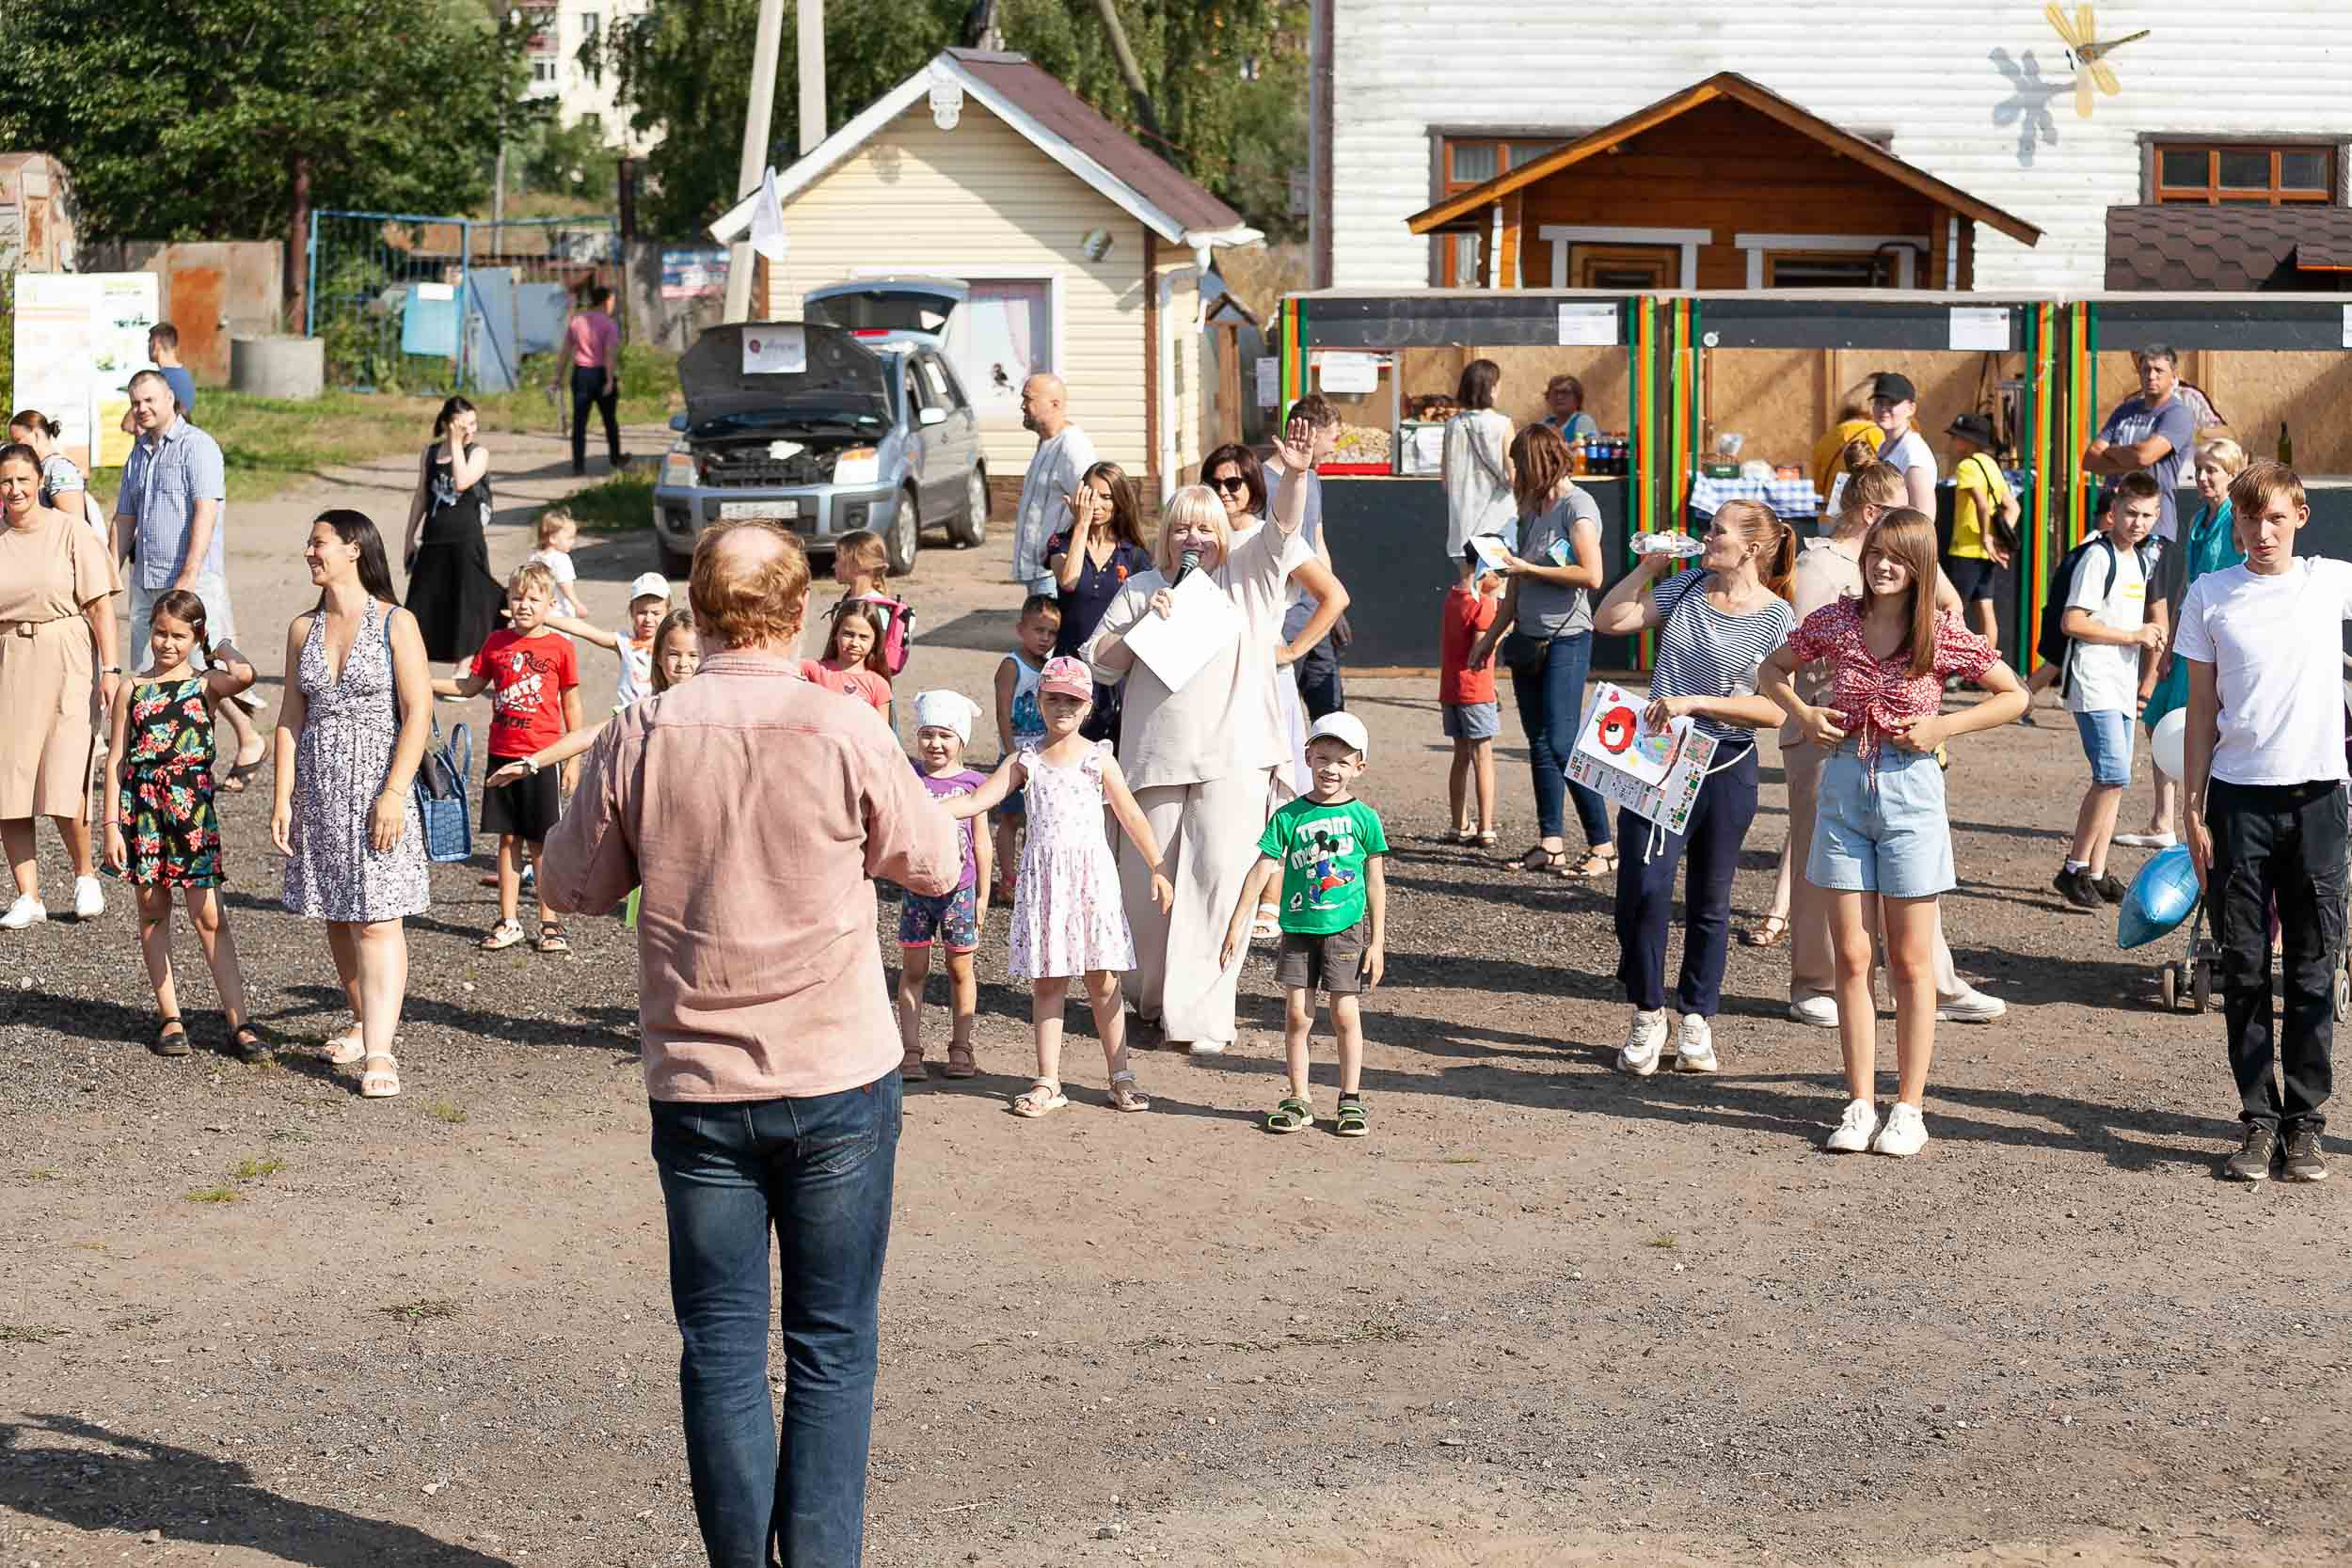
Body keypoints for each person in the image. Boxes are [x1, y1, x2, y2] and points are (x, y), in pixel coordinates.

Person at [541, 519, 961, 1568]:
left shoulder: (643, 729)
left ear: (698, 605)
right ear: (799, 606)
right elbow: (934, 859)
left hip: (698, 1075)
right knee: (830, 1347)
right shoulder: (842, 724)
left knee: (723, 1351)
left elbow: (571, 886)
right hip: (835, 1070)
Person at [1760, 511, 2028, 1157]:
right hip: (1845, 786)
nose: (1884, 565)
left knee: (1910, 962)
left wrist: (1944, 728)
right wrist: (1803, 711)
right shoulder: (1837, 620)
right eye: (1877, 552)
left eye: (1899, 558)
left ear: (1920, 566)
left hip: (1912, 791)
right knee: (1852, 956)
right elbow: (1771, 670)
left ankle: (1909, 1106)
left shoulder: (1937, 633)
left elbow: (2014, 694)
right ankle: (1858, 1102)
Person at [1083, 422, 1318, 1055]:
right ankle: (1154, 1000)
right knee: (1148, 888)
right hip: (1155, 758)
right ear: (1165, 535)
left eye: (1206, 527)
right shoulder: (1141, 587)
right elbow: (1095, 664)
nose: (1195, 538)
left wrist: (1294, 475)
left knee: (1220, 882)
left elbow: (1283, 534)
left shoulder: (1249, 574)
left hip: (1235, 758)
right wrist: (1139, 628)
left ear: (1224, 534)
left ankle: (1204, 1013)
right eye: (1183, 527)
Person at [2178, 461, 2345, 1183]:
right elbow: (2200, 711)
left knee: (2314, 965)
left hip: (2318, 801)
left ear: (2300, 517)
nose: (2261, 531)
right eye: (2250, 518)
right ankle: (2258, 1117)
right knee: (2243, 966)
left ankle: (2305, 1121)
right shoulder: (2211, 594)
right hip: (2237, 800)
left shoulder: (2328, 581)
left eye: (2275, 517)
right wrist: (2192, 804)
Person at [1591, 499, 1796, 1076]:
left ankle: (1697, 1019)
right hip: (1657, 762)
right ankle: (1647, 1010)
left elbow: (1775, 711)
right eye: (1708, 529)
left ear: (1752, 548)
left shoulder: (1779, 618)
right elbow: (1608, 620)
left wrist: (1695, 702)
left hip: (1728, 766)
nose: (1705, 539)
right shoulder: (1684, 588)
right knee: (1643, 890)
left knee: (1712, 900)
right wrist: (1645, 569)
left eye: (1717, 532)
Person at [944, 657, 1173, 1116]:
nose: (1062, 707)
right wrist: (922, 806)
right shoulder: (1024, 761)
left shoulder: (1098, 758)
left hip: (1090, 881)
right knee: (1048, 982)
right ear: (1039, 701)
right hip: (1046, 884)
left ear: (1087, 706)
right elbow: (977, 800)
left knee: (1103, 982)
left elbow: (1129, 813)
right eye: (1053, 698)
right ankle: (1048, 1080)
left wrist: (1158, 866)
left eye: (1072, 699)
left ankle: (1120, 1075)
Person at [271, 510, 433, 1101]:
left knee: (379, 918)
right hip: (318, 786)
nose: (310, 552)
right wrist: (281, 795)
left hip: (376, 787)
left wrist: (393, 791)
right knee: (337, 913)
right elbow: (291, 716)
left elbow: (418, 713)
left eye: (319, 544)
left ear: (353, 550)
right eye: (310, 543)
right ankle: (365, 1021)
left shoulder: (397, 622)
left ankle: (382, 1050)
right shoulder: (300, 629)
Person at [101, 590, 262, 1059]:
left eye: (178, 636)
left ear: (195, 636)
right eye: (159, 633)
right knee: (152, 909)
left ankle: (240, 1021)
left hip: (191, 808)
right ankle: (170, 1016)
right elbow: (115, 760)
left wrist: (221, 646)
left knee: (208, 915)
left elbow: (245, 675)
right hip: (143, 809)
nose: (166, 644)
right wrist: (111, 824)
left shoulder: (206, 683)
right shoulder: (133, 688)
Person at [1219, 711, 1389, 1137]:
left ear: (1359, 767)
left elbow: (1375, 880)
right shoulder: (1288, 816)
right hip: (1298, 927)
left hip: (1346, 929)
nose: (1332, 768)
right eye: (1324, 756)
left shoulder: (1365, 819)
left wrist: (1378, 941)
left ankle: (1350, 1098)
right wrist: (1237, 922)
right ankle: (1299, 1097)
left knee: (1344, 1012)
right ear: (1308, 755)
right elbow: (1262, 868)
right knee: (1297, 1013)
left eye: (1343, 761)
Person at [1470, 422, 1615, 880]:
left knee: (1562, 741)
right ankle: (1550, 842)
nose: (1515, 473)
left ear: (1537, 463)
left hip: (1567, 638)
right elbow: (1515, 586)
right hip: (1528, 640)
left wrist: (1528, 566)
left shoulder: (1578, 507)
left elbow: (1592, 575)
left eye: (1519, 464)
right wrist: (1489, 639)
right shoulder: (1532, 510)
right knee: (1538, 744)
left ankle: (1602, 844)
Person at [114, 370, 267, 791]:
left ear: (170, 399)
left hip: (190, 579)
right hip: (146, 578)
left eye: (149, 400)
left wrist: (189, 576)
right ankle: (157, 755)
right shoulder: (138, 454)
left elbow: (206, 510)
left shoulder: (197, 446)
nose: (142, 409)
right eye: (136, 402)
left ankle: (244, 738)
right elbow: (125, 517)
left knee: (203, 665)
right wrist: (111, 570)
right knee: (151, 668)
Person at [432, 562, 583, 954]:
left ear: (550, 604)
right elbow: (468, 686)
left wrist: (573, 758)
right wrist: (419, 678)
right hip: (501, 756)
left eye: (534, 598)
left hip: (543, 757)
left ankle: (550, 923)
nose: (525, 605)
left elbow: (571, 702)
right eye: (517, 597)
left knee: (543, 843)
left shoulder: (561, 648)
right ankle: (509, 919)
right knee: (508, 839)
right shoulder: (496, 643)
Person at [0, 441, 121, 929]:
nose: (14, 489)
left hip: (67, 652)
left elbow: (100, 607)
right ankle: (28, 893)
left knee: (66, 769)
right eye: (6, 481)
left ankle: (84, 874)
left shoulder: (71, 531)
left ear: (39, 483)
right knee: (9, 780)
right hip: (9, 659)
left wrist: (111, 670)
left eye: (22, 480)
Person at [1201, 438, 1350, 801]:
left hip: (1263, 674)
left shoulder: (1270, 539)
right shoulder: (1201, 538)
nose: (1224, 492)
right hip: (1213, 675)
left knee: (1273, 785)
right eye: (1214, 484)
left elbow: (1334, 596)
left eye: (1233, 483)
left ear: (1252, 486)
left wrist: (1293, 650)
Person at [2126, 436, 2249, 849]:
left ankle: (2205, 817)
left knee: (2197, 724)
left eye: (2211, 470)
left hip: (2219, 638)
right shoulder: (2198, 519)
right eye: (2198, 470)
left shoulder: (2238, 520)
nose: (2202, 477)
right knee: (2158, 719)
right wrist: (2170, 643)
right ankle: (2163, 819)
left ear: (2232, 474)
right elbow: (2187, 584)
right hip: (2190, 634)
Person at [2053, 472, 2164, 911]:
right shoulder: (2098, 558)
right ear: (2114, 511)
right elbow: (2073, 622)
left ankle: (2096, 872)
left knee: (2116, 781)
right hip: (2093, 681)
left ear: (2157, 516)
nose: (2138, 522)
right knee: (2112, 775)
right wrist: (2134, 635)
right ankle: (2074, 868)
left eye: (2147, 515)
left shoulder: (2138, 560)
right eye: (2131, 513)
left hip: (2118, 683)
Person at [897, 690, 992, 1084]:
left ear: (961, 740)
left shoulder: (974, 784)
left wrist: (985, 894)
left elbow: (982, 841)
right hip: (916, 891)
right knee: (914, 969)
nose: (935, 743)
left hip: (961, 892)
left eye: (945, 735)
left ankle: (961, 1046)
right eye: (927, 734)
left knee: (959, 969)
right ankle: (911, 1049)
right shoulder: (908, 778)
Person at [1044, 460, 1152, 743]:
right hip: (1070, 667)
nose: (1098, 504)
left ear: (1120, 502)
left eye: (1106, 497)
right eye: (1091, 495)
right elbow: (1068, 581)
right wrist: (1081, 525)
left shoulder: (1135, 554)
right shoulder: (1061, 543)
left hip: (1117, 672)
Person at [1260, 395, 1352, 721]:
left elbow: (1318, 540)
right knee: (1279, 714)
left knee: (1330, 713)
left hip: (1316, 620)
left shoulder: (1312, 479)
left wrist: (1332, 606)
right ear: (1311, 434)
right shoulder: (1259, 483)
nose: (1335, 445)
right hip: (1283, 622)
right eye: (1332, 436)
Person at [402, 397, 501, 673]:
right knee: (421, 602)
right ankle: (411, 666)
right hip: (434, 538)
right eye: (463, 424)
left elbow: (462, 482)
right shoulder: (430, 453)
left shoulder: (478, 452)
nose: (470, 429)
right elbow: (421, 495)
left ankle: (465, 666)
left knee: (467, 602)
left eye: (474, 422)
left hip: (466, 538)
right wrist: (409, 537)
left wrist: (457, 444)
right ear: (448, 423)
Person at [2083, 344, 2197, 552]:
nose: (2151, 376)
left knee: (2148, 586)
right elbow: (2090, 460)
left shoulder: (2177, 414)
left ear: (2173, 376)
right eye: (2146, 370)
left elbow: (2144, 456)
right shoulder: (2124, 411)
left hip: (2153, 528)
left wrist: (2112, 452)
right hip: (2114, 524)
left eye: (2159, 370)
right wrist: (2132, 456)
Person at [992, 594, 1058, 903]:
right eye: (1039, 630)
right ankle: (1007, 877)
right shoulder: (1011, 665)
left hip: (1041, 757)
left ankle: (1030, 879)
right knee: (1010, 819)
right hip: (1015, 754)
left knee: (1036, 820)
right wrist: (1008, 752)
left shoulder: (1049, 667)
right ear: (1022, 629)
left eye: (1052, 633)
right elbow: (1003, 711)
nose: (1045, 638)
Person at [1011, 373, 1097, 595]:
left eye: (1028, 399)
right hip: (1038, 575)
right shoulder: (1047, 441)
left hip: (1053, 576)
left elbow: (1094, 507)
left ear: (1055, 404)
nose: (1022, 406)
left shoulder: (1073, 448)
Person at [1438, 553, 1502, 846]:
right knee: (1483, 757)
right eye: (1498, 572)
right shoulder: (1485, 604)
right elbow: (1480, 652)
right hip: (1475, 690)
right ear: (1484, 572)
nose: (1502, 579)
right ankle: (1486, 827)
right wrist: (1504, 629)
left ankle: (1457, 824)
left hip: (1451, 688)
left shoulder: (1453, 599)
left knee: (1460, 756)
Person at [1942, 412, 2017, 648]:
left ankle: (1951, 665)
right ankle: (1987, 666)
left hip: (1966, 548)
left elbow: (1982, 505)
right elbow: (2013, 507)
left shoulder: (1966, 466)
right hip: (1986, 553)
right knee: (1985, 606)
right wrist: (1998, 540)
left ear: (1968, 441)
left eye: (1956, 437)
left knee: (1952, 608)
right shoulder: (1990, 464)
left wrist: (1985, 536)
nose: (1952, 442)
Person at [548, 571, 672, 711]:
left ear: (668, 613)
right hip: (627, 717)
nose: (649, 619)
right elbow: (582, 628)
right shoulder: (624, 642)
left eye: (656, 613)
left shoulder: (671, 644)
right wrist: (543, 618)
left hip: (661, 713)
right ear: (631, 612)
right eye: (642, 612)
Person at [1440, 358, 1515, 563]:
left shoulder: (1452, 425)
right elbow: (1514, 475)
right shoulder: (1502, 424)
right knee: (1496, 588)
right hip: (1497, 520)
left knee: (1470, 589)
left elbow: (1445, 481)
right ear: (1491, 388)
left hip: (1461, 527)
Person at [8, 410, 108, 539]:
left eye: (18, 441)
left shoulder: (59, 469)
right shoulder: (44, 468)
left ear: (36, 434)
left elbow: (74, 526)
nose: (16, 448)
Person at [830, 530, 914, 676]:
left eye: (838, 559)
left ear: (857, 564)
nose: (834, 565)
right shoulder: (851, 600)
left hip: (862, 685)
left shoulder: (875, 608)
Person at [560, 285, 624, 477]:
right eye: (612, 300)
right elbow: (609, 354)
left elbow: (565, 352)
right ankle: (614, 458)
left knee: (579, 422)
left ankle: (578, 465)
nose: (613, 304)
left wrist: (557, 377)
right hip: (601, 374)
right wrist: (610, 380)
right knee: (609, 420)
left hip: (581, 375)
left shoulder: (577, 321)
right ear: (606, 301)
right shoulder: (609, 324)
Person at [803, 600, 894, 717]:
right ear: (835, 634)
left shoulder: (879, 685)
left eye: (863, 637)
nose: (854, 643)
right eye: (848, 634)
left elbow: (882, 732)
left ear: (875, 642)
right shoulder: (812, 670)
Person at [1866, 372, 1936, 515]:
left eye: (1892, 402)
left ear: (1911, 408)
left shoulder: (1913, 452)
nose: (1884, 409)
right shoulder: (1884, 447)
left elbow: (1924, 516)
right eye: (1879, 402)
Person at [524, 508, 582, 619]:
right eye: (569, 538)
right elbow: (565, 584)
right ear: (553, 539)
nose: (573, 541)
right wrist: (577, 604)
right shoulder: (561, 559)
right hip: (560, 612)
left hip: (540, 611)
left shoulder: (535, 557)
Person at [1539, 373, 1598, 443]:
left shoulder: (1583, 422)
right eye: (1555, 393)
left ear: (1577, 399)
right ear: (1548, 398)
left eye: (1565, 393)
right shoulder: (1544, 425)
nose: (1559, 397)